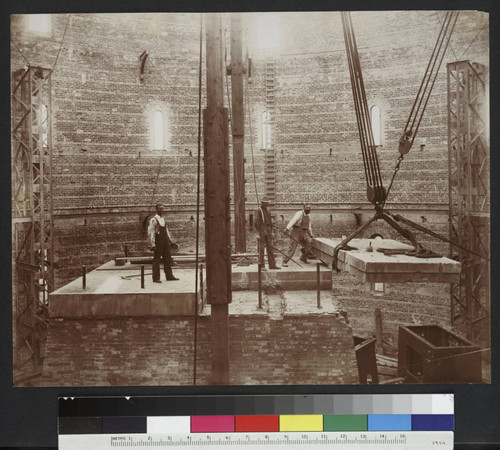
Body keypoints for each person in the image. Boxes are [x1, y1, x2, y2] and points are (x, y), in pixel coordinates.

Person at [148, 203, 179, 282]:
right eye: (160, 208)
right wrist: (153, 244)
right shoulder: (153, 220)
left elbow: (166, 230)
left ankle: (169, 276)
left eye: (162, 208)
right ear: (156, 209)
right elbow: (151, 233)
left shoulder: (163, 219)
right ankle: (156, 278)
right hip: (158, 242)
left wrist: (170, 240)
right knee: (157, 260)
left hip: (165, 242)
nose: (162, 210)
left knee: (167, 259)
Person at [255, 197, 280, 270]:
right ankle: (262, 266)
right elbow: (256, 223)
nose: (266, 204)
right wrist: (258, 233)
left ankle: (272, 265)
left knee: (270, 248)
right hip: (262, 230)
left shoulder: (268, 211)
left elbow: (270, 222)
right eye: (265, 203)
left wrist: (271, 232)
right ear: (262, 203)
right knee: (261, 249)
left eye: (267, 203)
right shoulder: (258, 210)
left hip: (268, 230)